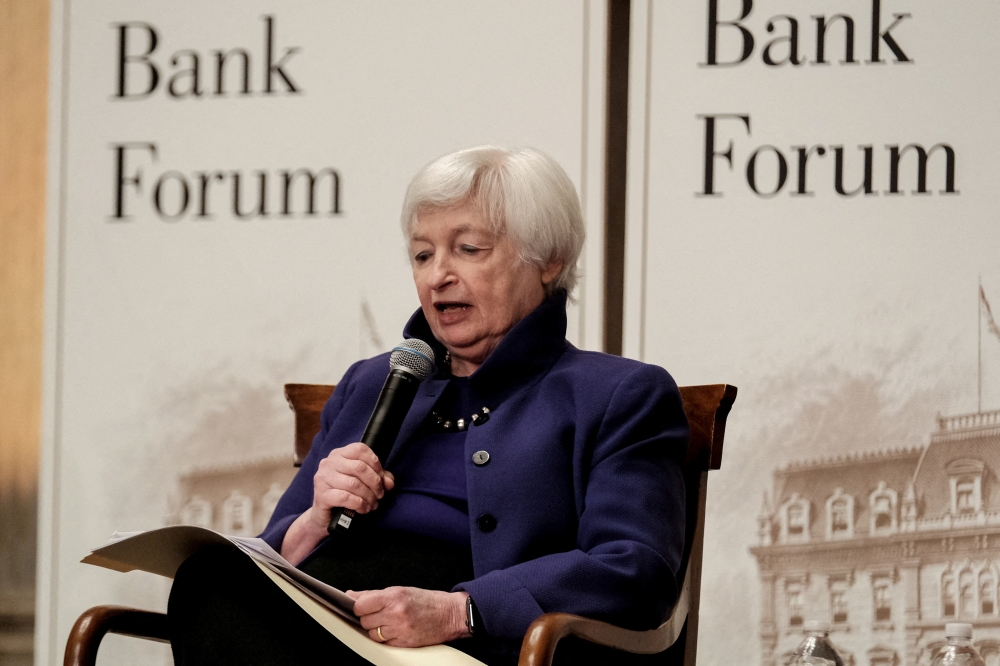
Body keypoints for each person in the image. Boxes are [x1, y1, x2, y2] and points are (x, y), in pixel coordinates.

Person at [167, 146, 689, 666]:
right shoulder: (370, 383)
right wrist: (314, 521)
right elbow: (269, 564)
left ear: (548, 259)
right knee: (210, 578)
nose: (437, 275)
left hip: (472, 649)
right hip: (323, 627)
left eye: (467, 249)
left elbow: (634, 570)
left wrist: (459, 612)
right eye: (422, 255)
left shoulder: (618, 394)